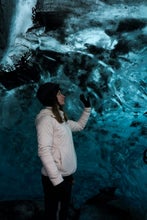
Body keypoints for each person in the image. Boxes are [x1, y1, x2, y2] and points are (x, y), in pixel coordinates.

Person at [35, 82, 91, 220]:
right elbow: (44, 151)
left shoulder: (60, 117)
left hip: (65, 176)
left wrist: (87, 108)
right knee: (54, 213)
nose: (63, 95)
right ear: (52, 97)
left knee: (63, 211)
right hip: (55, 178)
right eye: (59, 93)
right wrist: (57, 181)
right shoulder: (46, 120)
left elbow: (79, 126)